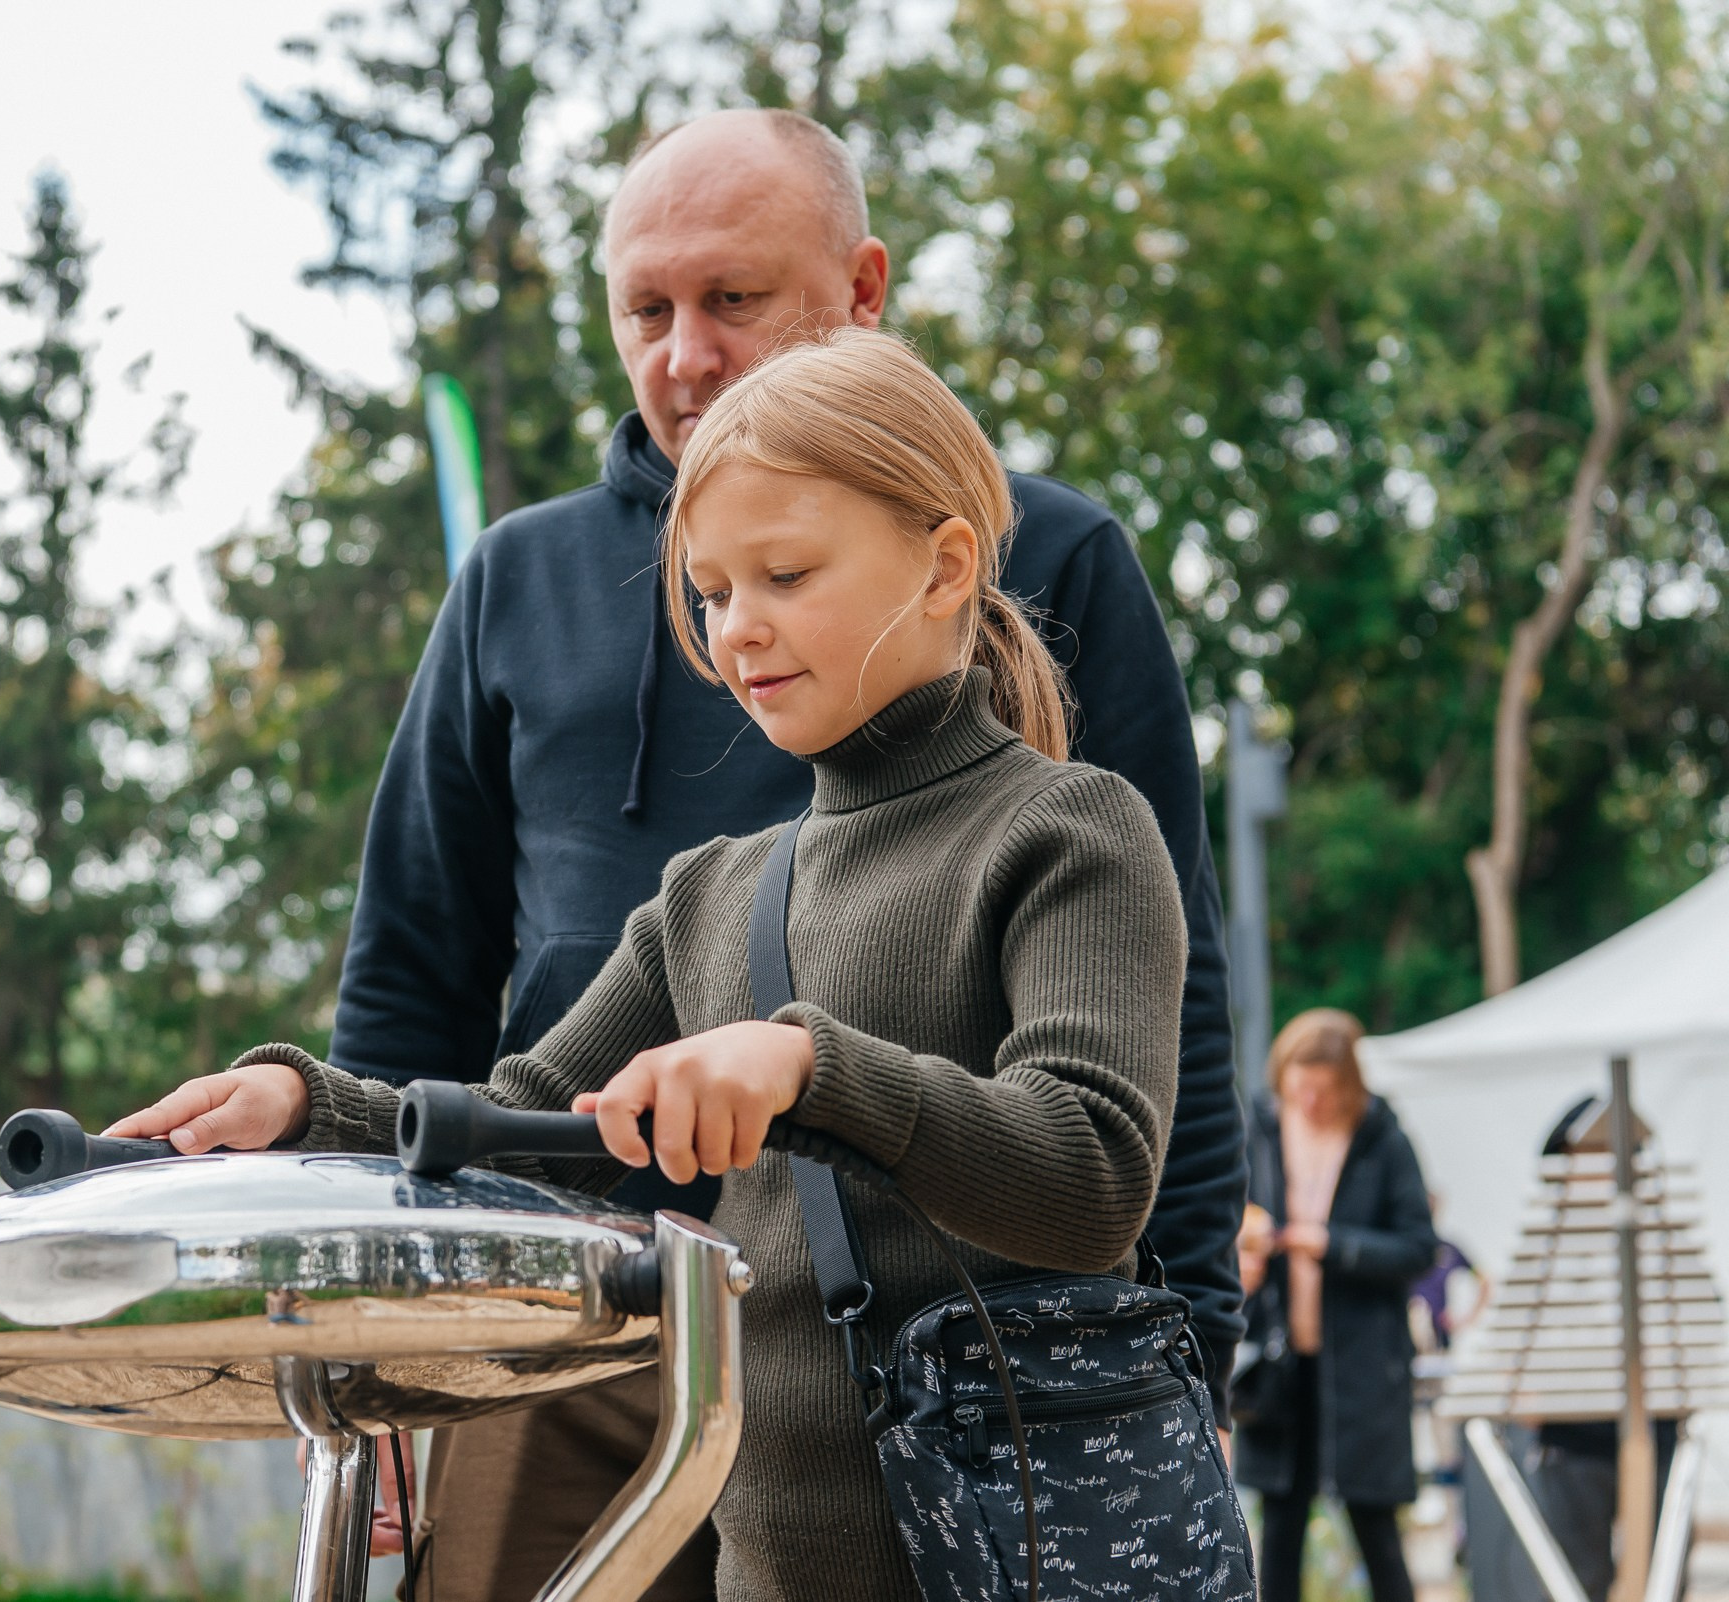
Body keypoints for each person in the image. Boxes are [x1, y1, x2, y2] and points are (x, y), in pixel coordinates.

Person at [108, 326, 1217, 1601]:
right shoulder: (712, 894)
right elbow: (529, 1129)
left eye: (787, 574)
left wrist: (809, 1067)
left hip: (1029, 1565)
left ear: (946, 565)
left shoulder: (1072, 828)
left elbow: (1090, 1180)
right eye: (711, 589)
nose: (739, 630)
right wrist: (318, 1108)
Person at [326, 105, 1247, 1594]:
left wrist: (1184, 1337)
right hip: (574, 1324)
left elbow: (1155, 1030)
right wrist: (332, 1186)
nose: (684, 352)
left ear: (860, 289)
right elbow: (434, 999)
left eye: (733, 299)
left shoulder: (1056, 585)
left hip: (955, 1362)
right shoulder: (530, 599)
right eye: (646, 308)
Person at [1238, 1009, 1438, 1602]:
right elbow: (1229, 1217)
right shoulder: (1262, 1130)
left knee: (1375, 1526)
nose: (1310, 1103)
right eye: (1299, 1089)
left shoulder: (1383, 1139)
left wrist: (1329, 1244)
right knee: (1279, 1530)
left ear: (1348, 1085)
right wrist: (1246, 1251)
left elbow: (1418, 1247)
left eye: (1323, 1092)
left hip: (1362, 1367)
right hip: (1279, 1365)